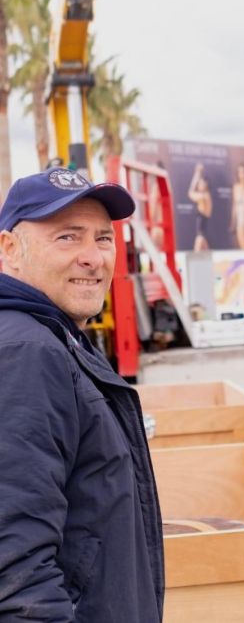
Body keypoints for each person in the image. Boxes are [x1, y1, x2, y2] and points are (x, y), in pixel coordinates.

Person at [0, 167, 164, 623]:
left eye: (103, 238)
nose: (93, 257)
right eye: (67, 237)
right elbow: (16, 572)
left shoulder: (55, 339)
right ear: (9, 249)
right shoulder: (25, 353)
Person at [187, 162, 213, 251]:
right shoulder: (206, 196)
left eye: (200, 184)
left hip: (201, 234)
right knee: (206, 253)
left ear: (205, 185)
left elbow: (190, 193)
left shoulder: (204, 197)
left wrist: (197, 174)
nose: (198, 186)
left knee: (197, 253)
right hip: (202, 233)